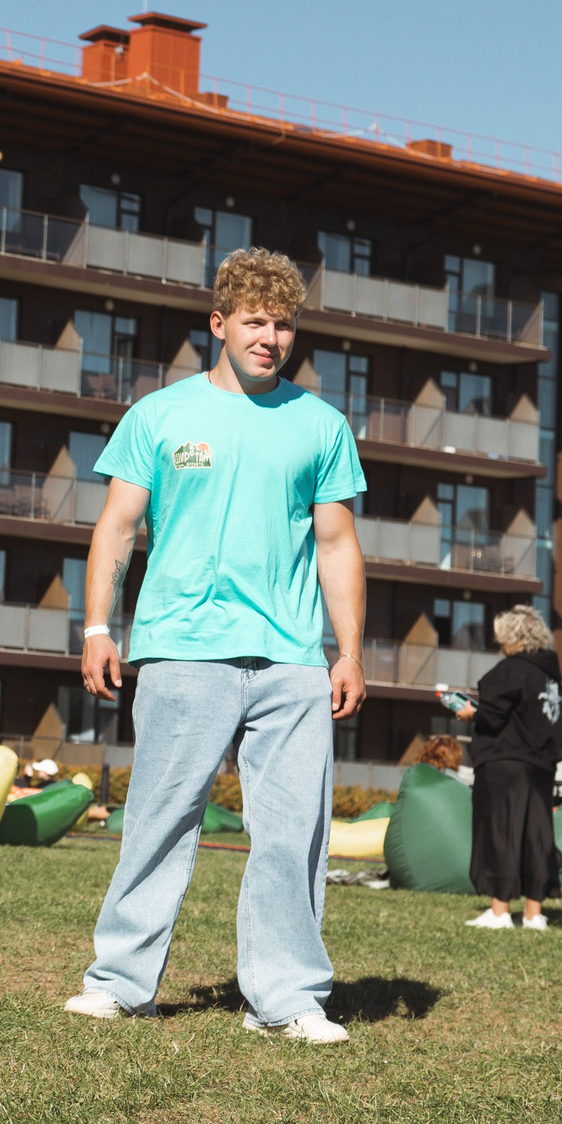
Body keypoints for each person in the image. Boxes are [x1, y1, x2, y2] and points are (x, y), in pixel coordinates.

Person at [69, 248, 367, 1045]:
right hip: (180, 648)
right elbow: (118, 527)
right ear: (220, 324)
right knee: (159, 817)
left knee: (293, 831)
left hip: (293, 658)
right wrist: (99, 626)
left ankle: (289, 998)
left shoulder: (321, 426)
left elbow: (338, 545)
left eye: (283, 323)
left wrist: (349, 651)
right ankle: (122, 983)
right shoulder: (160, 416)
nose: (271, 336)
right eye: (255, 321)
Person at [448, 604, 562, 932]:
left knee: (500, 832)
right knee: (536, 836)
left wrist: (473, 713)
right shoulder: (549, 675)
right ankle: (534, 914)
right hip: (541, 767)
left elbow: (494, 715)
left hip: (504, 763)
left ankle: (500, 911)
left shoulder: (510, 671)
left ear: (512, 636)